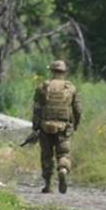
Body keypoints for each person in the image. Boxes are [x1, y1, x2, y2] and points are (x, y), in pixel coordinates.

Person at [31, 60, 83, 194]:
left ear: (52, 71)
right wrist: (75, 124)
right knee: (63, 153)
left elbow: (37, 109)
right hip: (64, 127)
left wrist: (35, 126)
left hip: (45, 127)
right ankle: (63, 170)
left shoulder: (43, 87)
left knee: (47, 155)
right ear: (64, 72)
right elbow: (78, 109)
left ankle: (48, 185)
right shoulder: (70, 88)